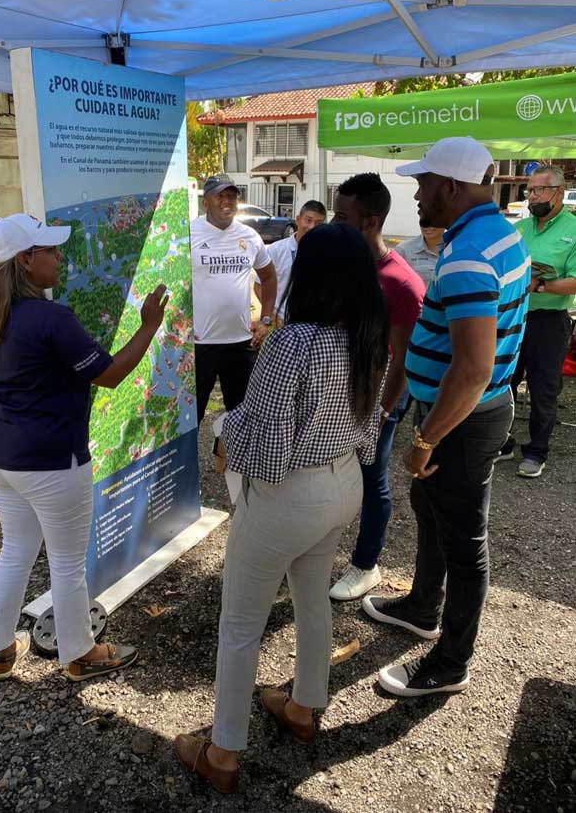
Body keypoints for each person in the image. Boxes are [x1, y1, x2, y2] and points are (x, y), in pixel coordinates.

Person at [174, 222, 389, 792]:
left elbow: (265, 442)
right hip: (344, 482)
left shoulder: (294, 342)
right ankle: (302, 707)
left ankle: (222, 753)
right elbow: (370, 424)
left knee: (240, 624)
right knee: (312, 598)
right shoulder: (370, 335)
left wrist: (224, 438)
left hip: (288, 495)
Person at [362, 137, 530, 697]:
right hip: (466, 412)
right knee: (430, 508)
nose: (418, 194)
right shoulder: (498, 234)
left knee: (464, 539)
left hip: (461, 418)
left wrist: (426, 439)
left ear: (451, 187)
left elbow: (472, 369)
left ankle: (450, 663)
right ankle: (421, 607)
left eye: (424, 183)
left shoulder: (468, 257)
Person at [0, 213, 167, 682]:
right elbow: (109, 375)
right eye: (51, 250)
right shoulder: (52, 319)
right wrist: (149, 326)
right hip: (54, 462)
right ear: (25, 260)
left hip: (1, 459)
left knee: (15, 550)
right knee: (66, 563)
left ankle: (0, 648)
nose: (60, 257)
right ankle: (81, 653)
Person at [329, 174, 425, 601]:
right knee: (332, 470)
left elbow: (405, 358)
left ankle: (365, 564)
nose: (334, 223)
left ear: (370, 222)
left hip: (381, 391)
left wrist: (384, 411)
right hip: (341, 384)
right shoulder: (346, 266)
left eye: (342, 216)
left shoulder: (401, 283)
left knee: (371, 476)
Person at [496, 165, 576, 478]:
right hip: (514, 315)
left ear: (559, 192)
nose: (532, 196)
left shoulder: (573, 230)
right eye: (530, 190)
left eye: (539, 189)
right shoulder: (518, 228)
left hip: (549, 321)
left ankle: (536, 451)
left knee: (544, 389)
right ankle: (502, 442)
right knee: (504, 381)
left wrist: (540, 285)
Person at [191, 174, 277, 425]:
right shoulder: (188, 233)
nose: (226, 201)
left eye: (231, 196)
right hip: (199, 343)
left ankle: (229, 452)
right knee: (191, 417)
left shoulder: (249, 236)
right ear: (205, 202)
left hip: (240, 343)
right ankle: (192, 453)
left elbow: (269, 277)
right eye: (219, 196)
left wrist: (266, 319)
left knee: (241, 418)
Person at [252, 199, 327, 322]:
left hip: (313, 325)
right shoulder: (276, 250)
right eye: (308, 220)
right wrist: (273, 316)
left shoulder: (327, 254)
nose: (312, 227)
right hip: (282, 322)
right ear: (298, 219)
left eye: (318, 223)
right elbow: (259, 286)